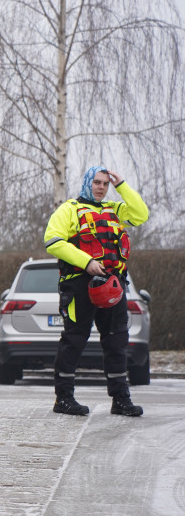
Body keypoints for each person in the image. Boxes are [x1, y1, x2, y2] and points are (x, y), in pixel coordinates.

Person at [44, 166, 148, 416]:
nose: (101, 187)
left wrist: (122, 185)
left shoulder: (115, 210)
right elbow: (53, 241)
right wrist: (87, 262)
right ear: (87, 183)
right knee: (74, 339)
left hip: (112, 285)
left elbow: (141, 215)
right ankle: (63, 398)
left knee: (116, 340)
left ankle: (120, 399)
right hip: (79, 284)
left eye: (105, 184)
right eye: (97, 182)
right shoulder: (69, 209)